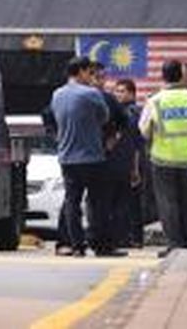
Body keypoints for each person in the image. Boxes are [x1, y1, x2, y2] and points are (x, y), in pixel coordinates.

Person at [139, 60, 187, 258]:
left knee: (168, 203)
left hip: (163, 158)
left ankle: (175, 244)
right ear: (181, 75)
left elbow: (144, 130)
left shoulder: (155, 101)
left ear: (163, 76)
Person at [51, 56, 114, 257]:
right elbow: (104, 117)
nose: (91, 77)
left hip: (67, 157)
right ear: (81, 72)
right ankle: (101, 245)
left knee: (72, 202)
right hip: (92, 156)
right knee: (98, 203)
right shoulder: (92, 94)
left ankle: (76, 245)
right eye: (89, 73)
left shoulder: (57, 94)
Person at [89, 63, 131, 255]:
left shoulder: (107, 99)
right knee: (76, 202)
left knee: (100, 202)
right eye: (96, 77)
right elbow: (50, 116)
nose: (100, 81)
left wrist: (113, 138)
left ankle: (98, 242)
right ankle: (72, 243)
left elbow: (124, 121)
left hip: (99, 157)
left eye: (102, 77)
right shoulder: (72, 96)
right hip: (83, 157)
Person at [113, 78, 146, 247]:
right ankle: (127, 237)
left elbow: (136, 143)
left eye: (122, 91)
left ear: (132, 94)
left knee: (131, 202)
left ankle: (133, 237)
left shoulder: (133, 113)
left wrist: (135, 168)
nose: (118, 94)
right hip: (121, 161)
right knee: (123, 201)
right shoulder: (119, 111)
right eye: (116, 91)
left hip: (132, 161)